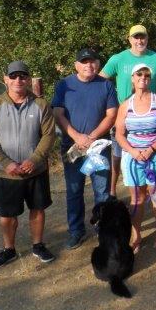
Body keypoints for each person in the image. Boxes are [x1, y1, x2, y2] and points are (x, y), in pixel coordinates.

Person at [0, 61, 56, 268]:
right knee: (7, 214)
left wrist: (35, 160)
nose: (18, 80)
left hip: (36, 171)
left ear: (28, 79)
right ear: (5, 79)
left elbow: (49, 135)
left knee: (38, 209)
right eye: (13, 76)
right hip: (7, 174)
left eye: (22, 76)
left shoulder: (41, 105)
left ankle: (38, 245)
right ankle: (9, 249)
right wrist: (5, 163)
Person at [51, 48, 118, 249]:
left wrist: (91, 137)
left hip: (99, 147)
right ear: (76, 65)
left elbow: (112, 114)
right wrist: (77, 137)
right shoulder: (64, 85)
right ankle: (76, 231)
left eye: (92, 61)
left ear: (97, 64)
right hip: (72, 147)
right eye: (84, 62)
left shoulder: (105, 84)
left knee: (102, 191)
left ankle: (103, 230)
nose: (89, 65)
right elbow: (58, 113)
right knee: (74, 190)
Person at [100, 24, 156, 195]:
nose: (139, 40)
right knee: (118, 157)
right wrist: (109, 105)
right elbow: (100, 81)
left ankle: (149, 192)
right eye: (136, 37)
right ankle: (112, 193)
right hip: (124, 116)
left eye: (142, 37)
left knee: (154, 157)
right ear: (129, 39)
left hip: (151, 115)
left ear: (147, 38)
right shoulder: (117, 59)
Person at [114, 63, 156, 253]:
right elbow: (119, 134)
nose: (143, 77)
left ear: (150, 78)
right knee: (137, 198)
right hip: (133, 156)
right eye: (139, 74)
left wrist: (151, 149)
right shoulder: (125, 105)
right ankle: (135, 233)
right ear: (132, 78)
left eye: (147, 75)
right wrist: (132, 151)